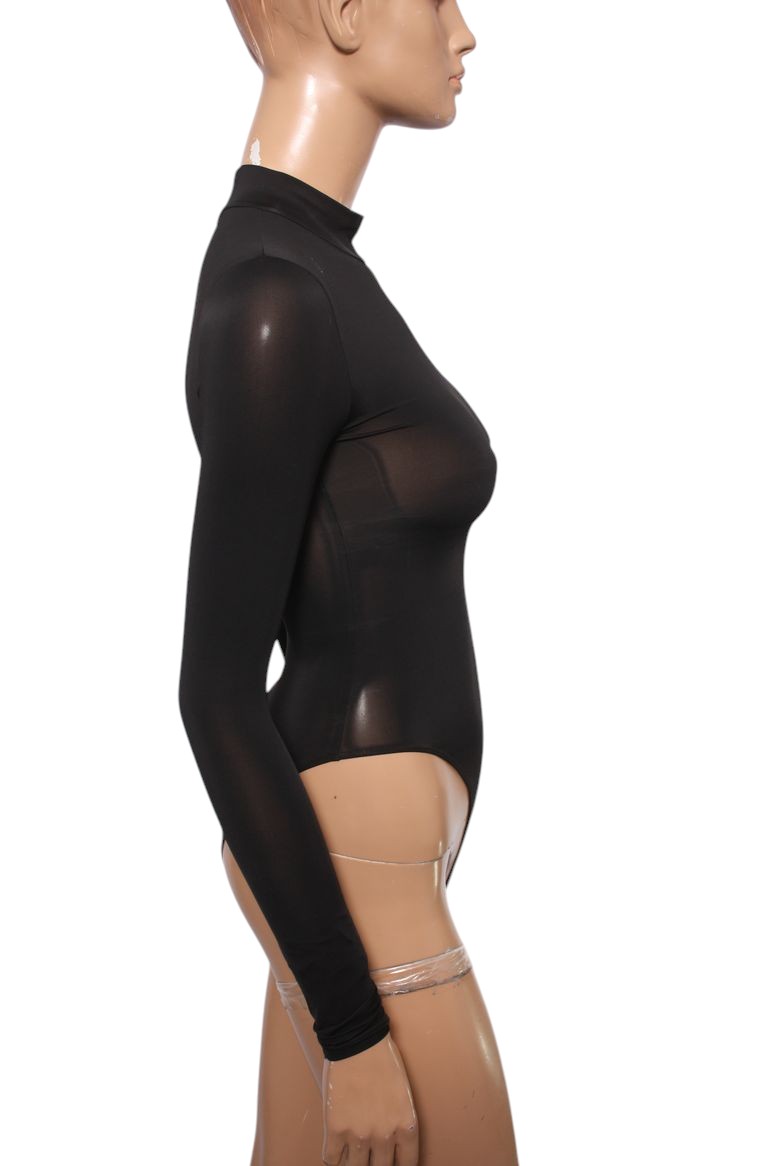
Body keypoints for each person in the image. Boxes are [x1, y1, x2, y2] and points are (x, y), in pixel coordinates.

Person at [178, 2, 520, 1163]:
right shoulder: (276, 292)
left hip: (361, 870)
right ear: (341, 10)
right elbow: (214, 689)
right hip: (356, 884)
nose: (464, 33)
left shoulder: (314, 270)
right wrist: (353, 1025)